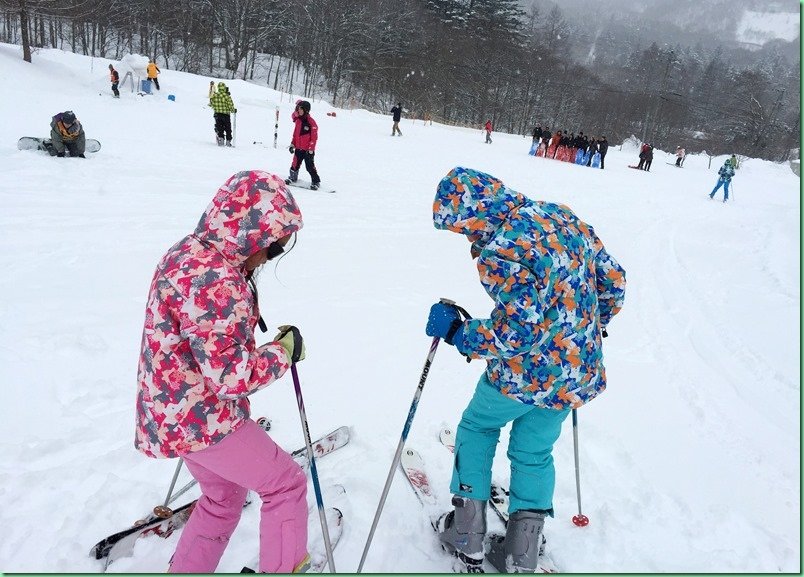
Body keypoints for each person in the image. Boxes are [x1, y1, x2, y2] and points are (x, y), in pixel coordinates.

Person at [426, 166, 626, 573]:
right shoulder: (559, 215)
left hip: (522, 376)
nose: (466, 237)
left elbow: (517, 333)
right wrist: (585, 324)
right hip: (572, 371)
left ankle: (466, 533)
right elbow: (614, 282)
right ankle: (523, 549)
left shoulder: (501, 249)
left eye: (462, 227)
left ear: (473, 214)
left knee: (478, 427)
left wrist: (461, 334)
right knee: (534, 450)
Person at [135, 170, 310, 573]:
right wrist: (282, 352)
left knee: (222, 498)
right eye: (274, 246)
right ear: (251, 232)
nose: (269, 257)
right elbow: (232, 378)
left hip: (171, 412)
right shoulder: (217, 281)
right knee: (285, 485)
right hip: (203, 420)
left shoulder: (189, 252)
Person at [286, 100, 321, 190]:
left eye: (300, 109)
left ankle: (316, 181)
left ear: (306, 110)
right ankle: (293, 177)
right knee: (295, 164)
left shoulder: (311, 122)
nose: (299, 111)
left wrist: (311, 149)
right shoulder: (298, 121)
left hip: (307, 150)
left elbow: (314, 138)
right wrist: (292, 144)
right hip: (298, 148)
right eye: (298, 109)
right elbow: (295, 135)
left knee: (309, 166)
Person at [209, 82, 236, 146]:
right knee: (228, 128)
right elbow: (230, 105)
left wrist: (215, 107)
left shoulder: (214, 95)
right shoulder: (227, 96)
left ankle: (221, 140)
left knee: (219, 128)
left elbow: (212, 104)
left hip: (217, 114)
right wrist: (233, 110)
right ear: (224, 88)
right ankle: (228, 141)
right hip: (226, 115)